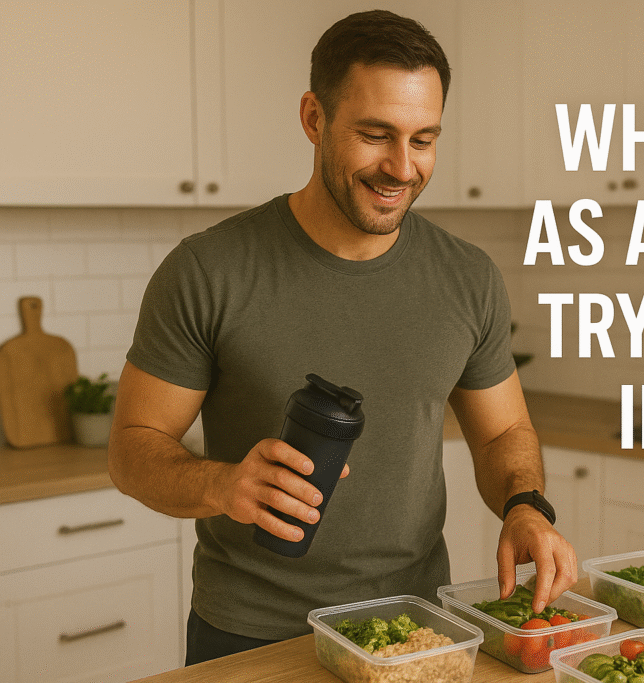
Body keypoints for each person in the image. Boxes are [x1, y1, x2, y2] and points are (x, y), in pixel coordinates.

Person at [107, 9, 577, 665]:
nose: (401, 167)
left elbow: (502, 433)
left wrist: (525, 507)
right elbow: (132, 449)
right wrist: (223, 486)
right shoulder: (210, 270)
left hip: (415, 630)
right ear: (314, 118)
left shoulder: (467, 277)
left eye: (423, 139)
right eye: (376, 134)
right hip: (251, 634)